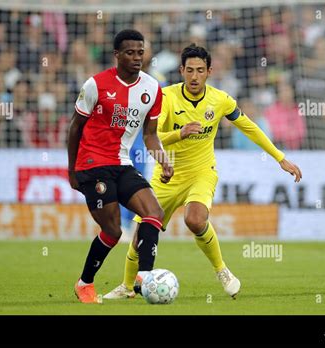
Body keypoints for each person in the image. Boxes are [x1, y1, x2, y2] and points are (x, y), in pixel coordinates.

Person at [104, 44, 302, 300]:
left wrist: (280, 157)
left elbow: (249, 127)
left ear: (209, 71)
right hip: (168, 174)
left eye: (200, 70)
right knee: (141, 235)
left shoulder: (220, 100)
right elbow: (151, 136)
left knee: (195, 219)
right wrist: (180, 133)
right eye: (189, 70)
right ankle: (127, 287)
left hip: (201, 172)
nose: (194, 76)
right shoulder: (166, 97)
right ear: (181, 71)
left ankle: (222, 271)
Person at [67, 29, 174, 304]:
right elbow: (75, 127)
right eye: (130, 52)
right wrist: (72, 170)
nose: (137, 58)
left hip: (122, 162)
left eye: (141, 52)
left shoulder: (152, 89)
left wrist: (163, 161)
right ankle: (85, 283)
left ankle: (145, 278)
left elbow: (150, 135)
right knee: (113, 230)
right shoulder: (95, 84)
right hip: (92, 164)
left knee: (154, 213)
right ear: (117, 55)